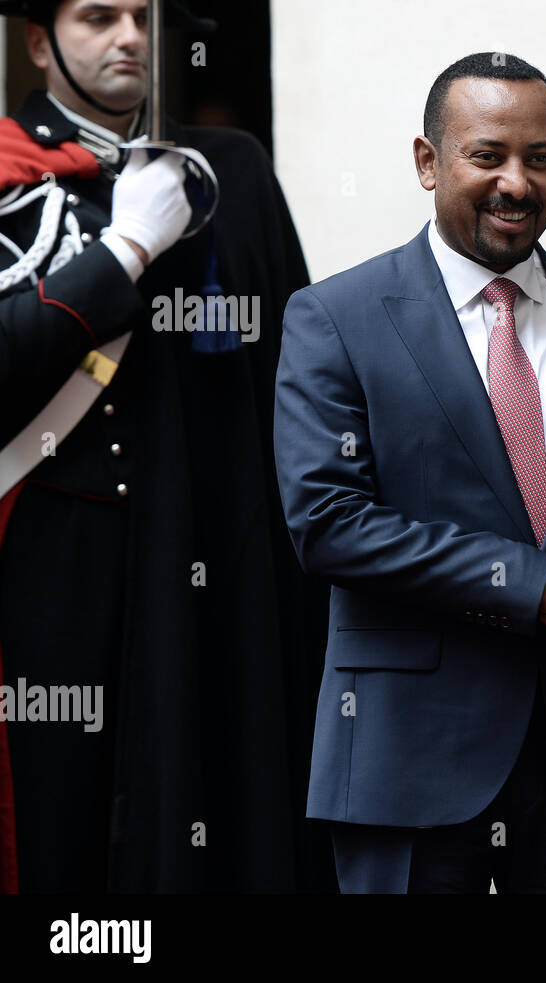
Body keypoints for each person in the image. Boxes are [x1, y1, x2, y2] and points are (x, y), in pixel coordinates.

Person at [273, 52, 546, 894]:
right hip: (408, 766)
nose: (517, 181)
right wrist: (535, 581)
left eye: (540, 158)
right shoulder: (335, 318)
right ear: (428, 161)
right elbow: (327, 524)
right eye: (488, 155)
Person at [0, 0, 330, 892]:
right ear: (39, 42)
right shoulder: (6, 174)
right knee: (58, 815)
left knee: (214, 795)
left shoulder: (232, 170)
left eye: (141, 17)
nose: (130, 39)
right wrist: (125, 249)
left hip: (210, 544)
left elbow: (298, 376)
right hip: (55, 565)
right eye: (97, 17)